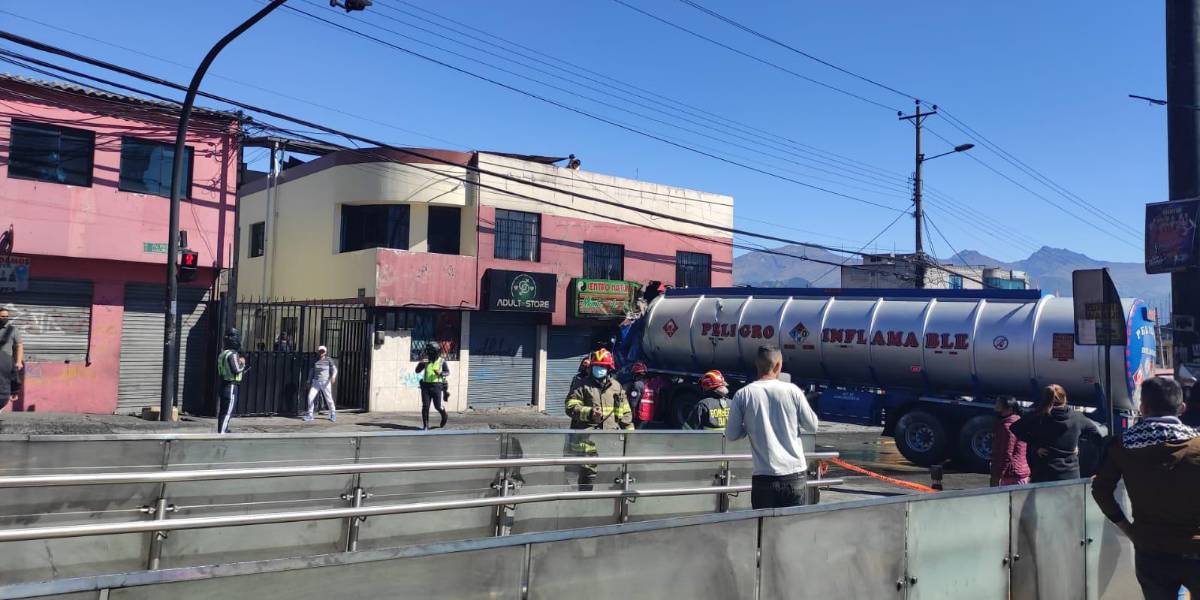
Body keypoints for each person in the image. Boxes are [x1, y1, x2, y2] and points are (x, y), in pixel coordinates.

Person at [1092, 377, 1200, 599]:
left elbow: (1100, 491)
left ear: (1142, 408)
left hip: (1150, 547)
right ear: (1181, 408)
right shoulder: (1196, 444)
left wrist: (1128, 529)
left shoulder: (1121, 446)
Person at [725, 345, 819, 509]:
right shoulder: (793, 391)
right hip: (794, 474)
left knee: (764, 531)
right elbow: (812, 426)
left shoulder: (743, 394)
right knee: (791, 529)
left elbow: (731, 434)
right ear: (778, 365)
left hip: (764, 477)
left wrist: (749, 424)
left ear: (756, 364)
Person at [564, 348, 634, 490]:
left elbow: (625, 411)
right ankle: (584, 504)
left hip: (609, 441)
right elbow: (570, 407)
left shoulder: (616, 387)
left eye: (603, 367)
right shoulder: (582, 385)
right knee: (587, 476)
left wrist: (630, 434)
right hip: (587, 443)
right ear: (591, 367)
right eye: (597, 366)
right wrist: (589, 413)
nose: (599, 369)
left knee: (608, 476)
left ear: (609, 369)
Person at [1011, 383, 1101, 482]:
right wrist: (1076, 443)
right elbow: (1095, 433)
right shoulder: (1077, 417)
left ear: (1044, 399)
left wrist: (1035, 444)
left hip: (1044, 474)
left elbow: (1015, 427)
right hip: (1070, 475)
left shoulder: (1038, 416)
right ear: (1065, 398)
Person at [990, 396, 1030, 486]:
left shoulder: (1008, 427)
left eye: (998, 403)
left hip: (1012, 476)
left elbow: (1006, 453)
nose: (996, 405)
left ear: (1008, 408)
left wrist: (998, 476)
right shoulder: (1017, 421)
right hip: (1018, 472)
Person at [216, 328, 246, 434]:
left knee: (224, 411)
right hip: (231, 385)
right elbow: (236, 369)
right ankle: (222, 432)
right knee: (227, 411)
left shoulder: (223, 354)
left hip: (223, 383)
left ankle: (223, 429)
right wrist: (242, 363)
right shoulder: (232, 354)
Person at [415, 344, 449, 430]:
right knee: (425, 406)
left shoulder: (442, 361)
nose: (428, 354)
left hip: (437, 386)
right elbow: (417, 371)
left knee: (437, 406)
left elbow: (447, 372)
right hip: (426, 386)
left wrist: (440, 373)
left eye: (430, 352)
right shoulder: (426, 360)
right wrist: (421, 363)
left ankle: (444, 415)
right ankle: (425, 425)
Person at [303, 345, 338, 423]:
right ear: (318, 352)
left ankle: (333, 413)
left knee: (328, 399)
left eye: (323, 351)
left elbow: (334, 369)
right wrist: (308, 381)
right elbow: (311, 371)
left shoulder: (329, 360)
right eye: (320, 351)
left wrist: (333, 377)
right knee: (310, 397)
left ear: (325, 352)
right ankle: (310, 415)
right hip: (316, 382)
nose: (321, 353)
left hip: (325, 382)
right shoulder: (315, 360)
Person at [0, 305, 24, 373]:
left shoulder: (13, 330)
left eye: (6, 316)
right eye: (2, 316)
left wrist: (19, 362)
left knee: (5, 382)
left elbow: (19, 345)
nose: (5, 318)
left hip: (6, 363)